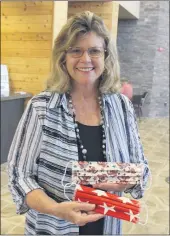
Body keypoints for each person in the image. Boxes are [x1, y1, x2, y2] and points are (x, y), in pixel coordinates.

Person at [8, 11, 149, 235]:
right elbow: (19, 175)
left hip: (107, 226)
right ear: (63, 57)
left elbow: (141, 168)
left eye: (94, 51)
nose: (85, 59)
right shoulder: (41, 108)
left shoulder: (122, 107)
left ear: (106, 56)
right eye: (76, 50)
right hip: (54, 227)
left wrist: (126, 182)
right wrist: (56, 209)